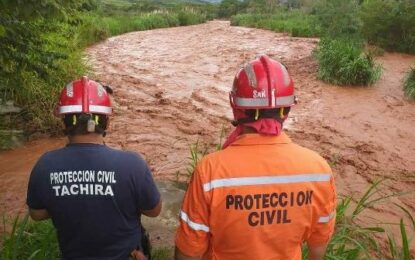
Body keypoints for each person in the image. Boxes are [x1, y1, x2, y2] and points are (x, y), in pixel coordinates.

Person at [174, 55, 337, 260]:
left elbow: (189, 252)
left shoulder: (210, 172)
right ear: (286, 109)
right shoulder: (319, 170)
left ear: (236, 106)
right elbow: (318, 248)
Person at [26, 76, 161, 260]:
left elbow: (37, 214)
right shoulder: (133, 164)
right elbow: (153, 210)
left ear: (64, 121)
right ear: (107, 121)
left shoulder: (45, 165)